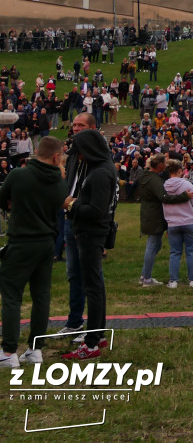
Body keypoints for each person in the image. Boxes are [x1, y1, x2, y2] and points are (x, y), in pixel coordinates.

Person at [0, 136, 67, 368]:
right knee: (41, 296)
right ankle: (35, 350)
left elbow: (2, 198)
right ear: (56, 156)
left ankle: (8, 351)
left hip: (21, 241)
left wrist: (13, 202)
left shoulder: (19, 175)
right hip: (46, 242)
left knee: (11, 295)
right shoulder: (60, 183)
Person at [61, 126, 117, 360]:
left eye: (81, 151)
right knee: (95, 286)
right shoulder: (98, 169)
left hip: (90, 233)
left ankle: (91, 343)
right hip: (88, 232)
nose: (79, 156)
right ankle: (99, 334)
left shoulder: (102, 172)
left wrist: (71, 205)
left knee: (92, 287)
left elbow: (96, 210)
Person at [53, 113, 95, 341]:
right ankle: (75, 322)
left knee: (90, 276)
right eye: (75, 125)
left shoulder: (97, 157)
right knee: (73, 274)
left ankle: (94, 325)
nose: (76, 128)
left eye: (81, 125)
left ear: (92, 128)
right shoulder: (71, 157)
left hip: (89, 221)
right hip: (70, 218)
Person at [137, 153, 193, 286]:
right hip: (154, 215)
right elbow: (164, 197)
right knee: (153, 245)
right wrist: (184, 196)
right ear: (160, 165)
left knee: (155, 244)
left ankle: (145, 275)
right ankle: (146, 278)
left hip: (147, 213)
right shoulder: (154, 180)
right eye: (165, 163)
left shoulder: (146, 175)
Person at [162, 159, 193, 289]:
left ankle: (173, 281)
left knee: (175, 252)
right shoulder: (187, 185)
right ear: (179, 171)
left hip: (173, 222)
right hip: (189, 220)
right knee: (191, 252)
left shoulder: (164, 186)